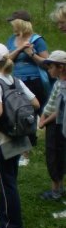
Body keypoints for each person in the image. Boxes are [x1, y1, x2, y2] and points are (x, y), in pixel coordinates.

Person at [0, 43, 39, 228]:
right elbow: (36, 103)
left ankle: (12, 227)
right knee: (10, 178)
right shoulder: (15, 80)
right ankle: (4, 212)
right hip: (19, 133)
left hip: (3, 136)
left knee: (7, 183)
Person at [6, 10, 49, 160]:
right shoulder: (12, 39)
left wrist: (31, 53)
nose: (11, 25)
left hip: (35, 81)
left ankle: (49, 145)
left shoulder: (37, 40)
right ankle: (25, 149)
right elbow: (6, 60)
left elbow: (47, 64)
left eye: (13, 22)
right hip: (17, 81)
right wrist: (19, 49)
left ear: (20, 23)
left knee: (41, 112)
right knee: (21, 114)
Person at [38, 51, 66, 201]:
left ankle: (56, 190)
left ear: (61, 67)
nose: (48, 70)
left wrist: (44, 122)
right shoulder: (58, 82)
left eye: (50, 66)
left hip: (57, 124)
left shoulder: (64, 86)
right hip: (51, 122)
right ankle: (59, 186)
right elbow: (50, 104)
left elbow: (59, 111)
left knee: (55, 155)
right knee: (56, 154)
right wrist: (43, 116)